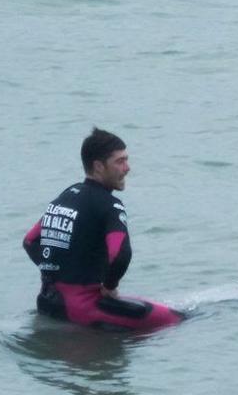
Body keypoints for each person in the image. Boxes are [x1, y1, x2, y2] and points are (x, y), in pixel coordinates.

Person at [21, 128, 185, 333]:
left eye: (126, 160)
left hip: (48, 302)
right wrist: (109, 287)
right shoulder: (109, 205)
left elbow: (30, 241)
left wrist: (57, 271)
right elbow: (120, 254)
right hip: (83, 309)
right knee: (177, 319)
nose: (127, 168)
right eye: (120, 161)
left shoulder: (65, 197)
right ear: (99, 166)